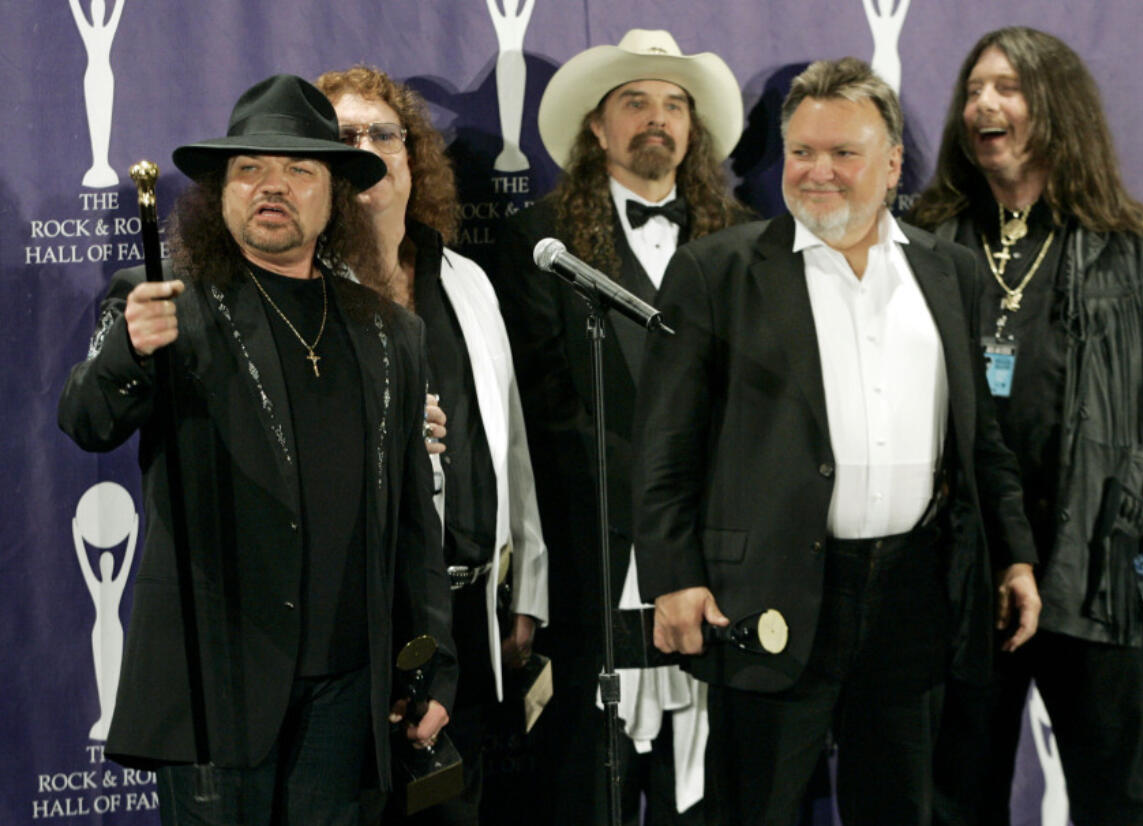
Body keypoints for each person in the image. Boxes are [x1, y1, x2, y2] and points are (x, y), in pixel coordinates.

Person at [632, 57, 1041, 826]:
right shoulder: (715, 272)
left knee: (902, 807)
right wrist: (672, 576)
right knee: (754, 807)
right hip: (768, 596)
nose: (817, 172)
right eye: (801, 152)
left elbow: (983, 439)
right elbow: (664, 448)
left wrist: (1013, 553)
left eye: (843, 153)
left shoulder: (950, 273)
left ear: (891, 166)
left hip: (914, 597)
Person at [57, 74, 456, 826]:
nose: (272, 187)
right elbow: (86, 421)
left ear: (335, 193)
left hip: (348, 696)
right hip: (217, 689)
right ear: (221, 193)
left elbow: (413, 520)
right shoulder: (165, 302)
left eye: (299, 170)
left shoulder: (390, 332)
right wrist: (128, 355)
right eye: (250, 170)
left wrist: (434, 664)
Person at [908, 27, 1143, 826]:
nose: (984, 103)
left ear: (1057, 108)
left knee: (1114, 798)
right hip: (967, 572)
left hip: (1096, 561)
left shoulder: (1139, 252)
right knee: (954, 798)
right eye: (975, 89)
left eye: (1007, 87)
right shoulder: (930, 242)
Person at [491, 28, 747, 825]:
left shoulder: (743, 242)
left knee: (701, 789)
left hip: (719, 561)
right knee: (584, 783)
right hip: (588, 564)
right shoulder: (537, 241)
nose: (657, 119)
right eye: (634, 102)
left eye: (674, 104)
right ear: (596, 127)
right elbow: (540, 409)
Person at [316, 64, 549, 825]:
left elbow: (509, 443)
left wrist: (528, 591)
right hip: (356, 630)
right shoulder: (301, 294)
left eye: (385, 134)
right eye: (343, 137)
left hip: (471, 617)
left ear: (413, 158)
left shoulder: (468, 281)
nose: (368, 149)